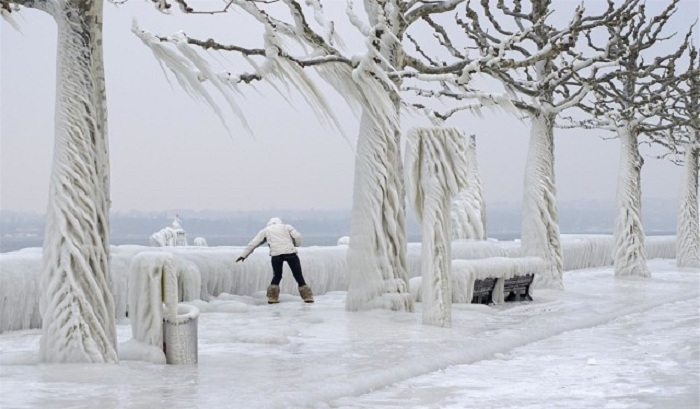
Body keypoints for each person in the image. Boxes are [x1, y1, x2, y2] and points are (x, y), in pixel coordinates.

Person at [236, 217, 313, 304]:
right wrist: (296, 245)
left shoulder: (266, 230)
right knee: (298, 275)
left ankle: (273, 297)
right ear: (280, 222)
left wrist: (244, 255)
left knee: (277, 276)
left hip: (276, 254)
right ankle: (307, 297)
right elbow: (297, 236)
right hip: (290, 253)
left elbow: (254, 243)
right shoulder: (287, 227)